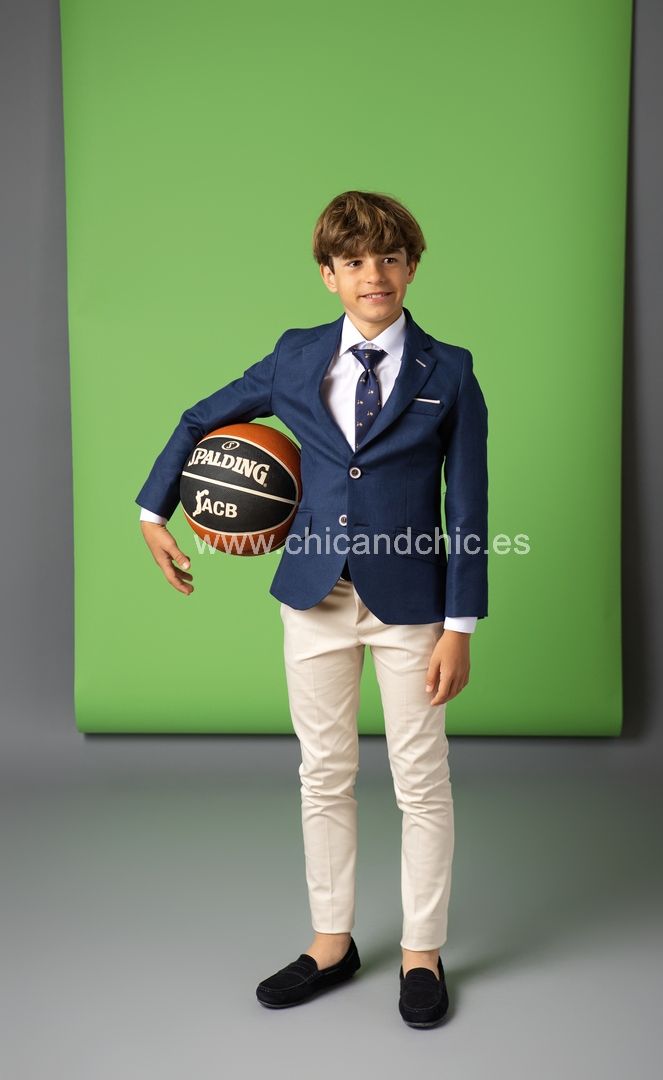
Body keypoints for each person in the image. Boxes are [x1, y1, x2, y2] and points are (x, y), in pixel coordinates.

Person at [135, 190, 489, 1027]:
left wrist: (460, 625)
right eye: (355, 261)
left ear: (412, 267)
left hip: (412, 606)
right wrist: (154, 511)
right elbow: (202, 416)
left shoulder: (449, 370)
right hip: (313, 595)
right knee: (323, 773)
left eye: (391, 258)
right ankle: (332, 942)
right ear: (329, 275)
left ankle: (422, 951)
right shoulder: (296, 356)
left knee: (420, 779)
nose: (376, 274)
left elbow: (468, 505)